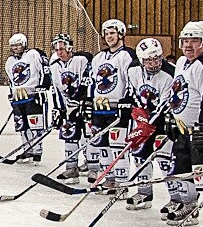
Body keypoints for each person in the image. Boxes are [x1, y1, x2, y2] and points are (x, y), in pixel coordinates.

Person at [163, 20, 203, 227]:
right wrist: (172, 118)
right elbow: (179, 93)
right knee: (182, 170)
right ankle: (190, 207)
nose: (189, 45)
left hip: (202, 132)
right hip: (183, 130)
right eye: (185, 40)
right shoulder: (182, 63)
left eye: (195, 40)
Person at [120, 38, 174, 211]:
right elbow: (132, 93)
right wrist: (137, 115)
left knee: (165, 160)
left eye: (157, 58)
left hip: (164, 121)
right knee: (139, 155)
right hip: (143, 118)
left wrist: (149, 124)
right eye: (149, 60)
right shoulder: (133, 69)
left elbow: (165, 104)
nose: (154, 63)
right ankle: (144, 193)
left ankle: (176, 198)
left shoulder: (170, 73)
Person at [88, 19, 137, 193]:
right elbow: (93, 82)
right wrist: (88, 101)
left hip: (118, 109)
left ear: (121, 34)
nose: (109, 37)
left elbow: (132, 81)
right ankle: (109, 179)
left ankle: (121, 184)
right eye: (106, 34)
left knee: (118, 146)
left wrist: (128, 102)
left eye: (112, 33)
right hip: (99, 109)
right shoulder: (98, 57)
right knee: (102, 144)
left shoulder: (128, 55)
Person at [47, 34, 92, 179]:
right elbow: (56, 89)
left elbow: (88, 82)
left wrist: (82, 102)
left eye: (62, 48)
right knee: (69, 135)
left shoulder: (81, 60)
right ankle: (71, 168)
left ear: (69, 47)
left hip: (84, 105)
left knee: (89, 136)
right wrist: (59, 108)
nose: (59, 52)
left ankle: (92, 168)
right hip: (68, 108)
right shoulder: (54, 66)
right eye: (57, 49)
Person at [4, 33, 48, 162]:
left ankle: (37, 150)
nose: (16, 48)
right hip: (18, 97)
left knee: (35, 124)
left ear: (24, 44)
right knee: (21, 125)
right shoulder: (10, 61)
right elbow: (11, 81)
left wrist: (43, 87)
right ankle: (27, 149)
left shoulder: (34, 54)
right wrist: (11, 94)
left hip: (33, 95)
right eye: (13, 46)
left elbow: (45, 71)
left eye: (18, 45)